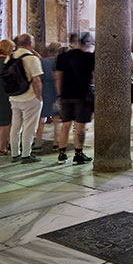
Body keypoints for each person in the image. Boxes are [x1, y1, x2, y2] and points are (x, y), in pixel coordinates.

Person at [55, 32, 96, 165]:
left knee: (65, 125)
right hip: (82, 95)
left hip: (66, 94)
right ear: (87, 44)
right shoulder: (89, 57)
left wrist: (60, 94)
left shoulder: (62, 57)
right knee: (80, 126)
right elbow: (95, 77)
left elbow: (58, 76)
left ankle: (62, 154)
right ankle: (78, 154)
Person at [6, 34, 44, 163]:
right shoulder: (31, 59)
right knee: (29, 127)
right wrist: (39, 96)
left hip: (14, 96)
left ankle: (15, 153)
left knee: (15, 126)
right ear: (30, 43)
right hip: (29, 97)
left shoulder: (10, 56)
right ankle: (26, 154)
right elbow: (36, 80)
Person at [35, 43, 62, 151]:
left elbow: (39, 76)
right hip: (55, 90)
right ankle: (56, 142)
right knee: (56, 118)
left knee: (41, 118)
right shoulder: (57, 62)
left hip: (43, 89)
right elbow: (57, 78)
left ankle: (38, 142)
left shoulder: (41, 62)